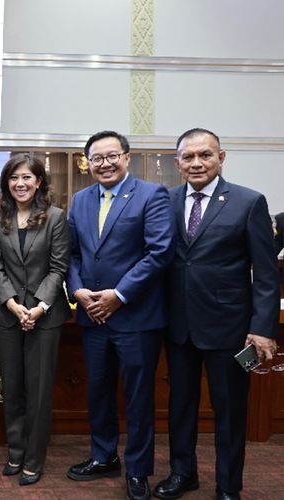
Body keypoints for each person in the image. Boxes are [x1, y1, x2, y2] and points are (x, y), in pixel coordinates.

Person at [153, 128, 280, 500]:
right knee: (180, 408)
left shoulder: (248, 201)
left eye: (205, 155)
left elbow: (266, 273)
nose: (196, 163)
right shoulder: (166, 200)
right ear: (177, 163)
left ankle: (228, 486)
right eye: (188, 157)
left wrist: (262, 328)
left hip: (231, 329)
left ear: (221, 158)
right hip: (177, 327)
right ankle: (182, 473)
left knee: (230, 413)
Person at [65, 131, 175, 500]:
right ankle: (103, 456)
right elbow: (73, 255)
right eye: (96, 158)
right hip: (92, 316)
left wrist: (119, 295)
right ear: (88, 163)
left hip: (136, 317)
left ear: (127, 158)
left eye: (112, 156)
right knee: (98, 392)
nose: (105, 163)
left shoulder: (151, 194)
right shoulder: (79, 200)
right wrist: (78, 291)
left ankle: (139, 470)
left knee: (138, 397)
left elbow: (159, 252)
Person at [0, 154, 71, 486]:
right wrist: (11, 303)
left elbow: (58, 267)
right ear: (6, 183)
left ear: (39, 182)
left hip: (44, 317)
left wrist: (38, 307)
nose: (20, 184)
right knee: (13, 387)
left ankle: (34, 459)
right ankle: (16, 452)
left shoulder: (55, 218)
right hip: (7, 315)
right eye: (13, 178)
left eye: (27, 177)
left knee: (38, 391)